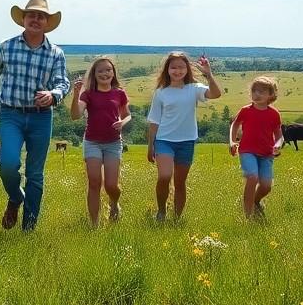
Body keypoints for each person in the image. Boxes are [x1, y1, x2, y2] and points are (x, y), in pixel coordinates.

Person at [0, 0, 70, 231]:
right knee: (8, 164)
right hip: (11, 115)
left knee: (35, 174)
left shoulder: (56, 53)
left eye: (41, 16)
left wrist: (53, 94)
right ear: (23, 20)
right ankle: (16, 198)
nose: (36, 19)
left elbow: (62, 83)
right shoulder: (7, 47)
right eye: (31, 15)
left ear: (47, 22)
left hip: (41, 117)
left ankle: (28, 229)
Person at [145, 51, 221, 221]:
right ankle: (161, 211)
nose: (177, 71)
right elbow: (154, 121)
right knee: (164, 176)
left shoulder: (194, 89)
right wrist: (151, 146)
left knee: (180, 183)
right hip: (164, 140)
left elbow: (216, 94)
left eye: (181, 67)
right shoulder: (161, 92)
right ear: (167, 70)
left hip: (187, 141)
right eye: (173, 67)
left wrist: (208, 75)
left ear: (187, 69)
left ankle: (177, 218)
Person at [70, 56, 131, 226]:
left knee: (111, 185)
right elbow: (75, 115)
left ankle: (114, 204)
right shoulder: (88, 94)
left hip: (113, 143)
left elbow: (127, 115)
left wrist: (122, 122)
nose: (105, 73)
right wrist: (76, 95)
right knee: (94, 181)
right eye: (101, 71)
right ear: (94, 74)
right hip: (92, 142)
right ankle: (94, 224)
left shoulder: (119, 93)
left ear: (113, 73)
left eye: (108, 70)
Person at [228, 76, 284, 219]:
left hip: (266, 153)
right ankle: (248, 216)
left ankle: (255, 201)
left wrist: (277, 145)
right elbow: (235, 124)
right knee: (252, 177)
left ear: (271, 95)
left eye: (262, 92)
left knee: (266, 186)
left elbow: (279, 135)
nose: (257, 94)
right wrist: (232, 141)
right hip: (247, 150)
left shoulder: (274, 114)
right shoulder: (246, 110)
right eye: (254, 91)